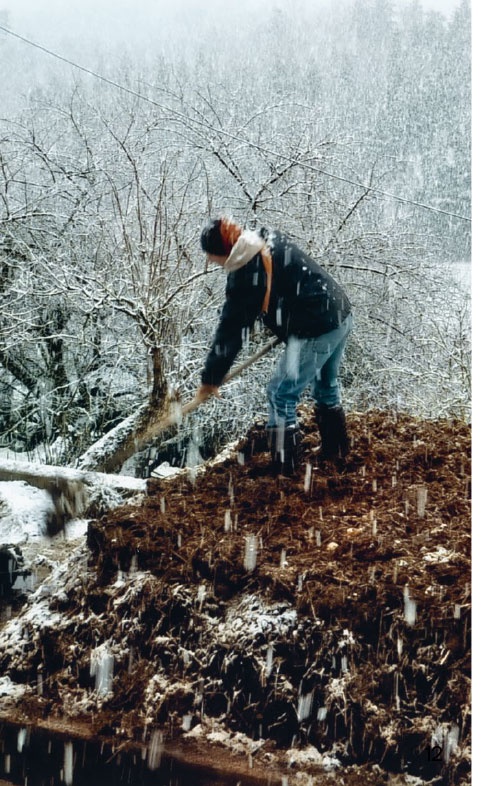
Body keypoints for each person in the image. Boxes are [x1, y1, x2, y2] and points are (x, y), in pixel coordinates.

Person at [196, 216, 353, 475]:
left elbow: (233, 327)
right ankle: (336, 452)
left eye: (213, 257)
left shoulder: (247, 269)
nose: (213, 262)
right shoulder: (264, 240)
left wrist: (211, 378)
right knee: (325, 385)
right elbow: (288, 286)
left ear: (224, 251)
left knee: (280, 393)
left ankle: (285, 472)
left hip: (316, 327)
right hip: (339, 314)